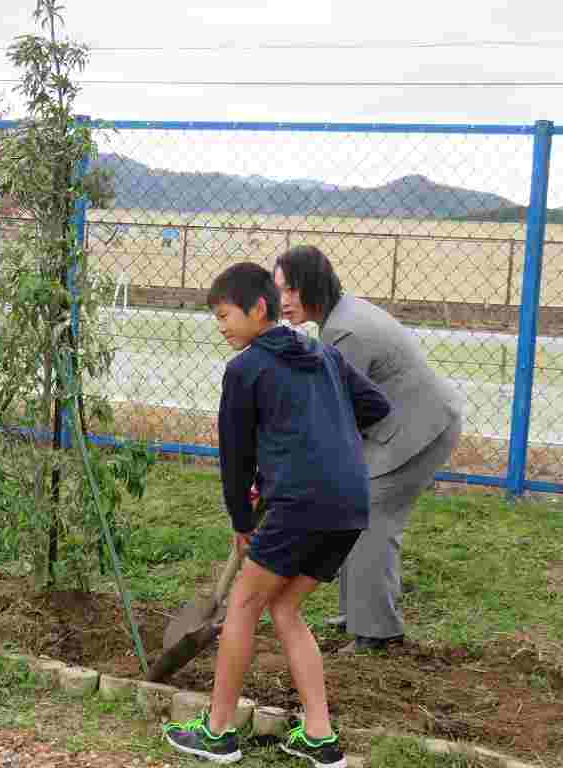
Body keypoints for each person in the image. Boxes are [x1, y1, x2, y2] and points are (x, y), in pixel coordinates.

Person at [163, 263, 390, 766]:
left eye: (224, 315)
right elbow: (375, 406)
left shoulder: (245, 369)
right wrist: (325, 436)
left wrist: (242, 524)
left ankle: (219, 732)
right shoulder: (323, 354)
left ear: (257, 309)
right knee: (284, 609)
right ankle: (320, 736)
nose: (220, 326)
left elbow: (235, 458)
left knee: (243, 604)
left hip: (301, 502)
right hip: (349, 503)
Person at [274, 245, 463, 654]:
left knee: (373, 516)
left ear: (314, 285)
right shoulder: (338, 317)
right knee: (355, 508)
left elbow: (338, 412)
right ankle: (357, 612)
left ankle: (377, 632)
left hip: (418, 429)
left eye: (291, 289)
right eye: (278, 291)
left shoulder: (345, 332)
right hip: (402, 423)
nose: (283, 301)